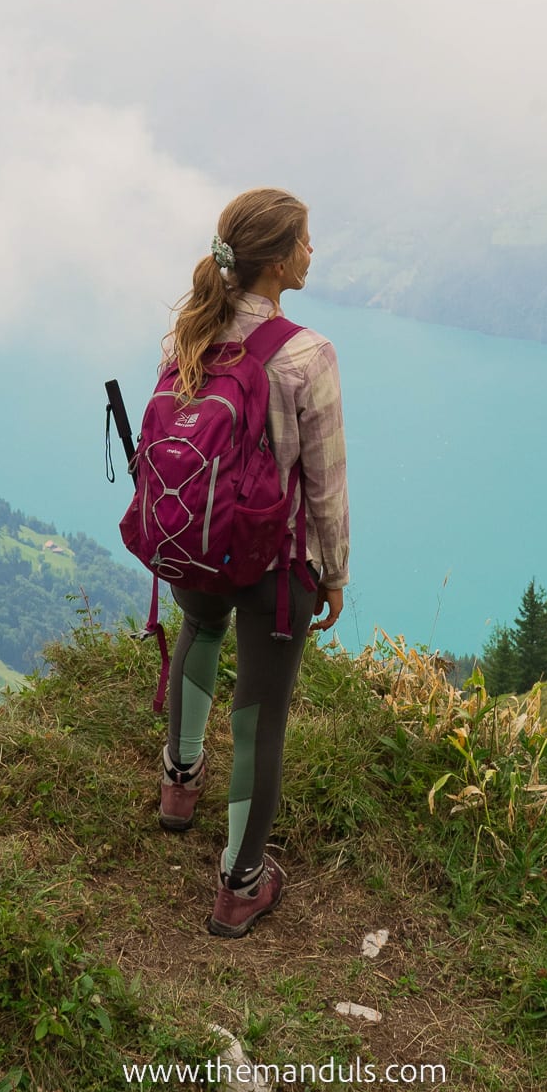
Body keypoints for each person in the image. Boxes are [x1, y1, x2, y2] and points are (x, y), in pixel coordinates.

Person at [156, 186, 350, 939]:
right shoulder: (308, 354)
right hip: (276, 560)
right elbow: (324, 485)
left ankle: (178, 783)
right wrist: (332, 570)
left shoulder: (187, 337)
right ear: (276, 261)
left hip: (198, 542)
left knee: (200, 638)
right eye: (306, 240)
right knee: (262, 719)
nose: (312, 252)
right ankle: (241, 882)